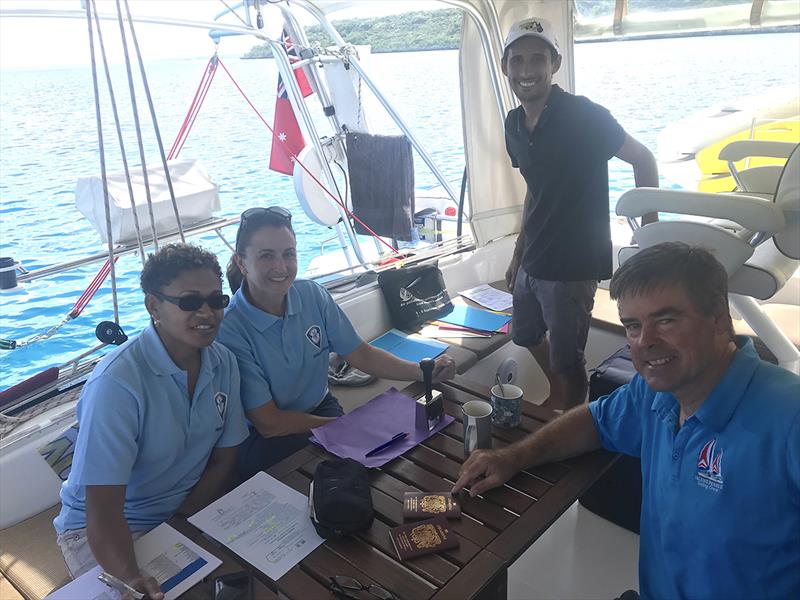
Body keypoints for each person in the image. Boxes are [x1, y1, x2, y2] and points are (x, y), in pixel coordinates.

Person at [454, 242, 800, 599]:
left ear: (719, 319)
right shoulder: (655, 393)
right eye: (633, 326)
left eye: (666, 320)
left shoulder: (789, 417)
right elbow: (594, 420)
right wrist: (512, 457)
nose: (645, 341)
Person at [53, 244, 249, 598]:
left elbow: (225, 456)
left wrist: (186, 520)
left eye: (216, 300)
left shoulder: (224, 363)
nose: (207, 312)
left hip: (180, 509)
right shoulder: (118, 383)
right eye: (189, 302)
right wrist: (130, 576)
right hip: (104, 528)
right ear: (153, 306)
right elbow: (103, 508)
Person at [217, 206, 457, 480]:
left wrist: (423, 370)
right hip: (266, 438)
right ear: (241, 263)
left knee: (376, 471)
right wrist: (345, 427)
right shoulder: (230, 328)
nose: (281, 267)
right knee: (335, 484)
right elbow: (269, 422)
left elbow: (360, 354)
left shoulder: (312, 296)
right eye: (266, 256)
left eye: (288, 254)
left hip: (321, 408)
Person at [501, 17, 659, 410]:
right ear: (505, 67)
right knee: (524, 334)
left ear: (554, 64)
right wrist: (518, 253)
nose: (526, 71)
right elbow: (534, 191)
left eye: (537, 59)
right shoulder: (513, 123)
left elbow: (643, 158)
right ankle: (564, 391)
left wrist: (651, 240)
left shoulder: (584, 115)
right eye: (516, 60)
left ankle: (569, 413)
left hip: (573, 263)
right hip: (533, 257)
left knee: (568, 361)